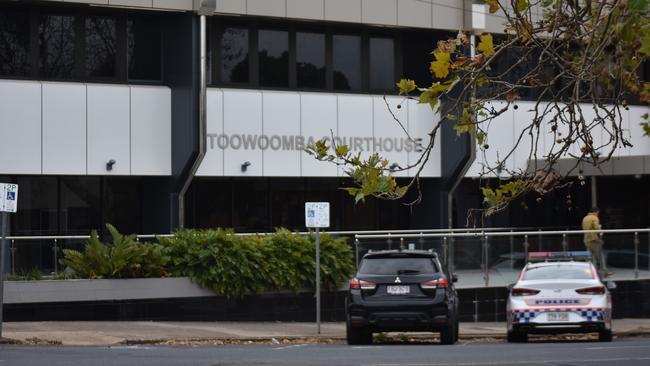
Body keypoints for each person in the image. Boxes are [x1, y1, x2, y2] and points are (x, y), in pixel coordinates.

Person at [581, 207, 612, 277]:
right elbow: (597, 228)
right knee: (600, 257)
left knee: (589, 257)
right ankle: (605, 272)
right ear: (596, 212)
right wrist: (600, 227)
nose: (598, 214)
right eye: (598, 213)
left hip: (586, 239)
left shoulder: (585, 218)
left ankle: (587, 273)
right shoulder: (594, 218)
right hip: (594, 239)